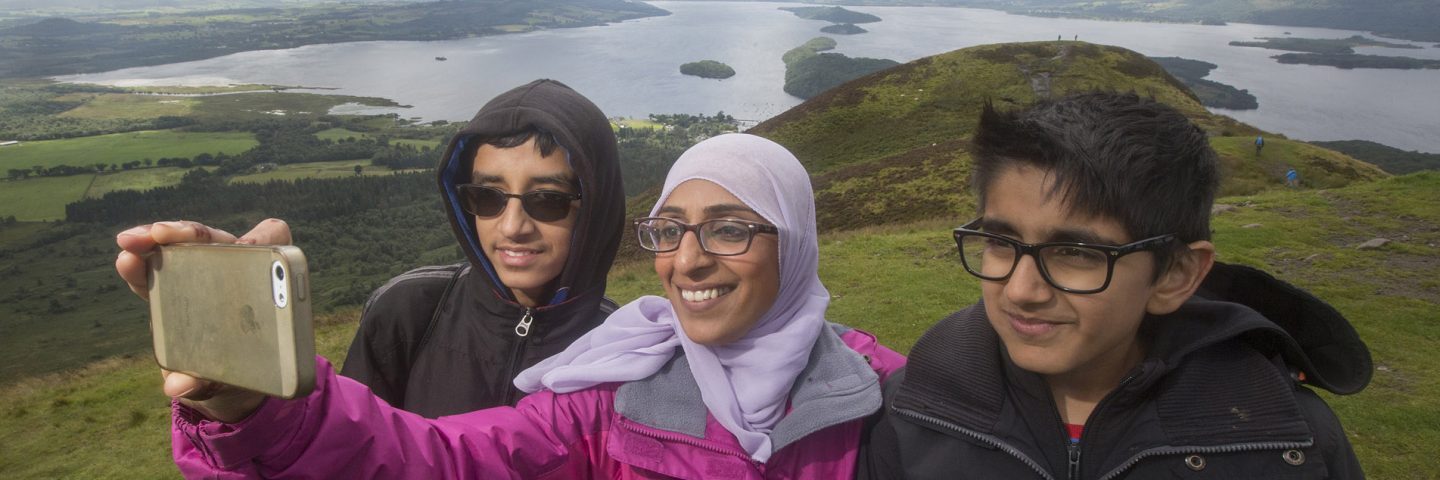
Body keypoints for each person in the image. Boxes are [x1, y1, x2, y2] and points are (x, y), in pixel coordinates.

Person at [164, 133, 906, 478]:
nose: (687, 259)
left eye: (731, 228)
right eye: (670, 230)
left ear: (797, 245)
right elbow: (436, 458)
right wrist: (256, 403)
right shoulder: (613, 392)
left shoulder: (885, 401)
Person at [861, 93, 1369, 479]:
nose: (1020, 290)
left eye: (1078, 253)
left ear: (1175, 275)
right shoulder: (911, 412)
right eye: (1000, 241)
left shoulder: (1286, 443)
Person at [114, 79, 628, 418]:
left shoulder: (623, 351)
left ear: (597, 208)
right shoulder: (412, 309)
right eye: (486, 196)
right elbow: (348, 452)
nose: (512, 226)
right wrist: (244, 399)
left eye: (549, 200)